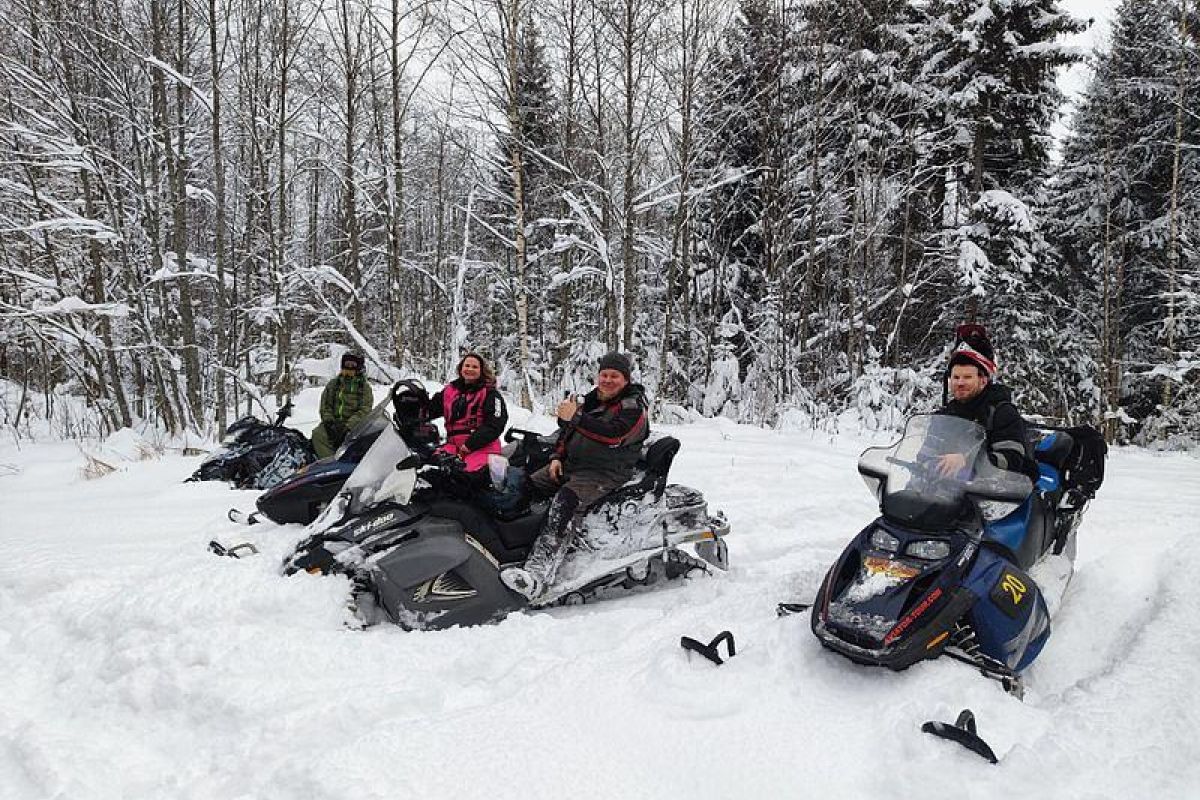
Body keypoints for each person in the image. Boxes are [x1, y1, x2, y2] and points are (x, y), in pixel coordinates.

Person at [501, 352, 649, 601]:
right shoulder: (592, 400)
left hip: (605, 472)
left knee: (566, 501)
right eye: (604, 375)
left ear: (626, 380)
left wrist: (577, 417)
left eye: (615, 376)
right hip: (572, 465)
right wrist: (557, 457)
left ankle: (539, 574)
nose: (608, 380)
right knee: (524, 487)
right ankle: (512, 548)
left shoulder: (632, 408)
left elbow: (613, 436)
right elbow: (566, 432)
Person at [934, 324, 1040, 483]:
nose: (960, 383)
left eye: (967, 377)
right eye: (956, 378)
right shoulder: (945, 415)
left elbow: (1012, 459)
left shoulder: (1001, 412)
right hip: (949, 495)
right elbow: (927, 453)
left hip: (994, 496)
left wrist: (967, 461)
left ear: (983, 381)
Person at [425, 353, 508, 477]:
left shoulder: (490, 394)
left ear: (482, 371)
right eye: (467, 365)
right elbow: (430, 410)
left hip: (481, 447)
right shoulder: (450, 391)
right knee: (429, 469)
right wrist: (410, 406)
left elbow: (495, 424)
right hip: (453, 446)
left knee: (466, 476)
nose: (470, 369)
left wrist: (469, 445)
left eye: (474, 367)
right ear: (461, 368)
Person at [312, 352, 374, 459]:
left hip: (354, 426)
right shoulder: (334, 384)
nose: (348, 368)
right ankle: (329, 462)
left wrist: (349, 426)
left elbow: (365, 409)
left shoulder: (364, 387)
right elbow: (325, 405)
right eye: (346, 364)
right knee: (318, 434)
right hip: (333, 423)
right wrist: (329, 422)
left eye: (352, 365)